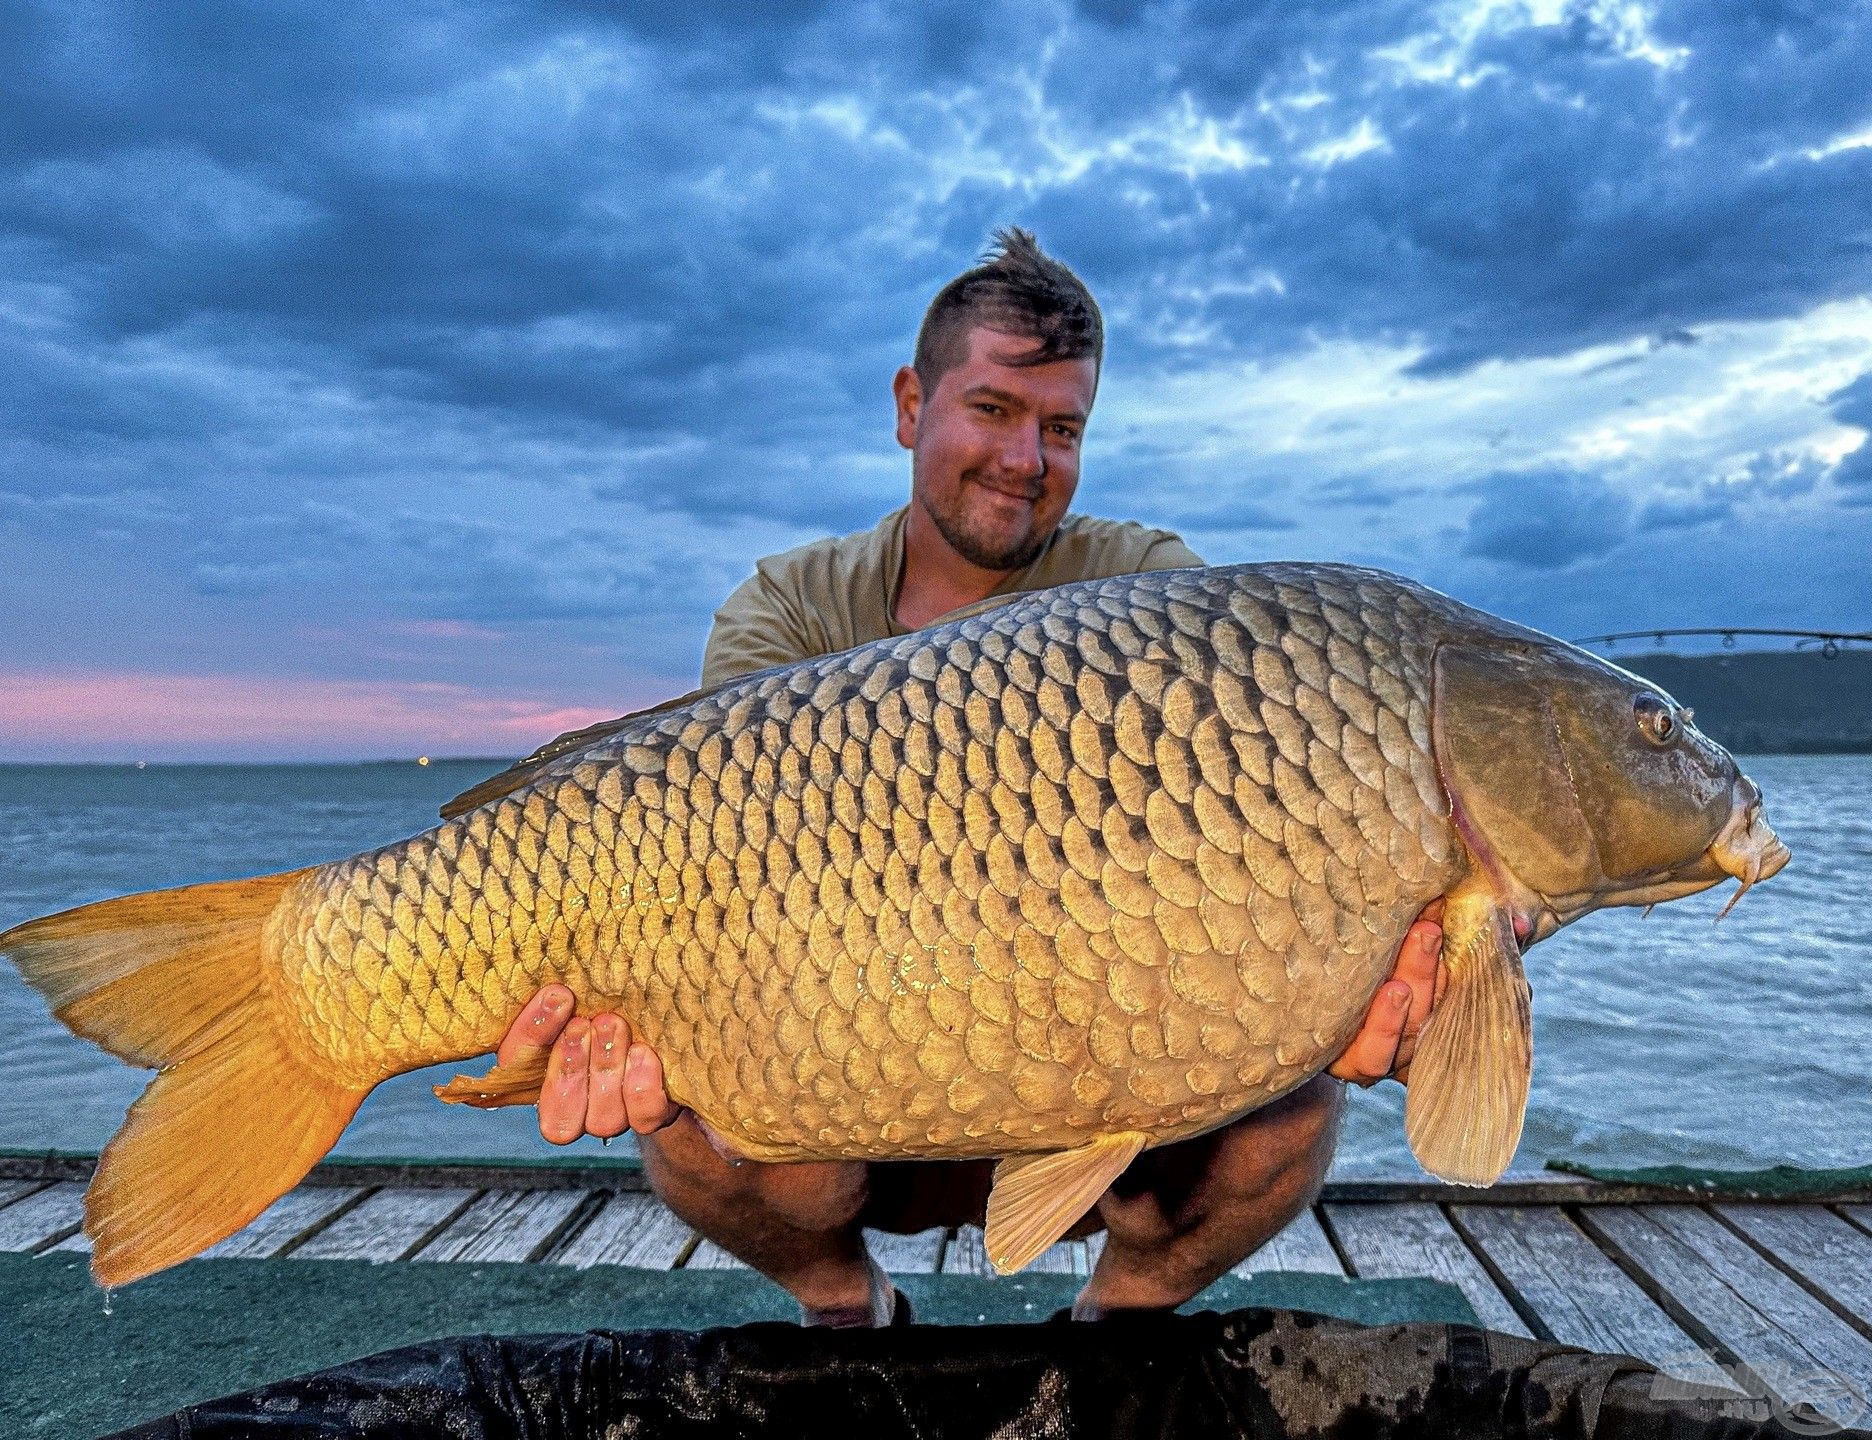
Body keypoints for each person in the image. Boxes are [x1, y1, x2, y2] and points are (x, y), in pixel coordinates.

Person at [481, 230, 1447, 1326]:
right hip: (848, 1101)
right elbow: (712, 881)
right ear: (910, 405)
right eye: (992, 409)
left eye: (1063, 426)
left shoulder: (1155, 592)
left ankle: (1117, 1325)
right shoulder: (789, 611)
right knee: (683, 1113)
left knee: (1295, 1107)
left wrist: (1339, 972)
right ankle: (845, 1307)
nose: (1026, 457)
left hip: (1105, 1091)